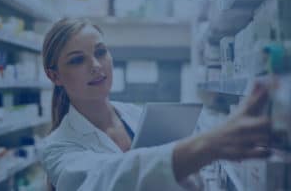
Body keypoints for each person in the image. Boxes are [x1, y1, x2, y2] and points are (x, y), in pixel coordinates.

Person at [38, 18, 272, 191]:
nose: (97, 65)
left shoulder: (139, 116)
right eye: (77, 60)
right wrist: (209, 145)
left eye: (100, 52)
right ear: (54, 76)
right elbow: (103, 179)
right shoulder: (57, 147)